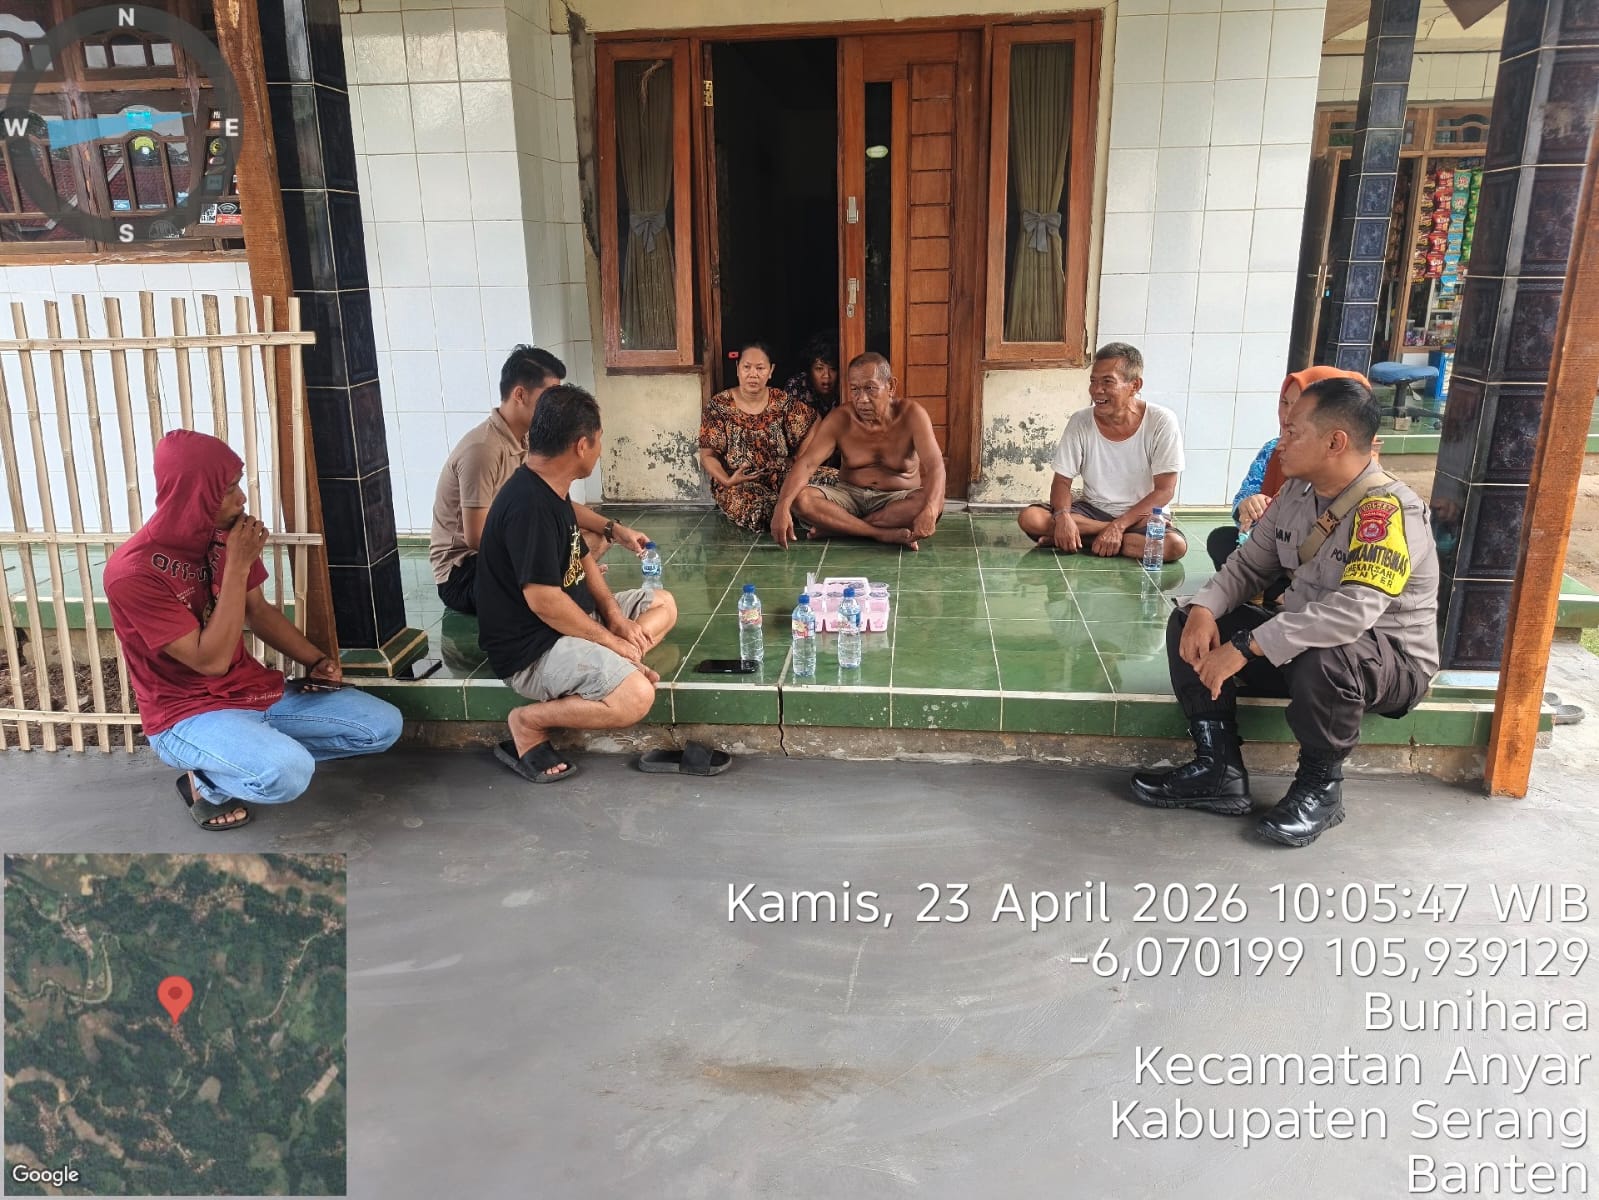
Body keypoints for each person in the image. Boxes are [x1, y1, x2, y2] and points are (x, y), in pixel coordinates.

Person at [1128, 377, 1439, 848]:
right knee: (1190, 620)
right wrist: (1205, 609)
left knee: (1328, 653)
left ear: (1335, 442)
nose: (1281, 444)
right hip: (1303, 648)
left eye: (1293, 432)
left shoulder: (1386, 511)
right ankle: (1218, 769)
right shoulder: (1296, 493)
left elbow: (1351, 614)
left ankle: (1320, 788)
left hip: (1384, 663)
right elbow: (1248, 566)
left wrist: (1247, 646)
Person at [105, 430, 403, 830]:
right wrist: (237, 565)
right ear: (195, 494)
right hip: (186, 714)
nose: (241, 499)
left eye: (238, 484)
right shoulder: (133, 573)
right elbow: (209, 662)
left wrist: (316, 661)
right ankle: (206, 783)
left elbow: (257, 611)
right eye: (228, 489)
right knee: (289, 774)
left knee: (381, 727)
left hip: (251, 692)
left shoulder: (221, 537)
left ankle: (247, 751)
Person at [476, 384, 678, 784]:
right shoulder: (529, 506)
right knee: (637, 697)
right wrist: (611, 643)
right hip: (535, 650)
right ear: (582, 446)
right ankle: (529, 723)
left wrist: (615, 619)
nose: (599, 450)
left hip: (574, 622)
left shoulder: (552, 488)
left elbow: (581, 558)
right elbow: (544, 601)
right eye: (598, 441)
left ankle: (620, 662)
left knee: (664, 603)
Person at [430, 345, 648, 615]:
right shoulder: (483, 450)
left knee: (595, 538)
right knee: (567, 548)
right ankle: (559, 590)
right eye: (549, 396)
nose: (555, 406)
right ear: (520, 395)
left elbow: (558, 503)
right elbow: (477, 538)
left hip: (504, 554)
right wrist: (549, 553)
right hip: (465, 573)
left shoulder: (529, 439)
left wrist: (613, 529)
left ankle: (562, 584)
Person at [1018, 342, 1188, 561]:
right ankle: (1102, 537)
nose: (1096, 390)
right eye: (1093, 381)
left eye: (1107, 382)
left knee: (1174, 547)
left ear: (1134, 385)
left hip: (1141, 516)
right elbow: (1062, 482)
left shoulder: (1161, 421)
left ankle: (1083, 539)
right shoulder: (1080, 421)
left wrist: (1120, 525)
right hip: (1092, 511)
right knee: (1031, 518)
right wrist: (1063, 517)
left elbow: (1165, 490)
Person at [769, 352, 946, 550]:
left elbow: (935, 466)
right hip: (849, 496)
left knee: (932, 503)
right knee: (800, 500)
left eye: (870, 388)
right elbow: (807, 464)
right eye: (855, 389)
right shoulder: (841, 418)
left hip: (896, 498)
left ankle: (840, 528)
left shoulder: (912, 415)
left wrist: (931, 509)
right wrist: (782, 506)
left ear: (891, 386)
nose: (862, 399)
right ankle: (880, 533)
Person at [1207, 365, 1372, 571]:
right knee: (1224, 542)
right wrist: (1248, 505)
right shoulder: (1274, 450)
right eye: (1284, 403)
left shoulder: (1361, 479)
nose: (1287, 414)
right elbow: (1247, 497)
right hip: (1274, 545)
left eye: (1298, 404)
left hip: (1319, 562)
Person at [698, 341, 821, 532]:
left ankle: (805, 510)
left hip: (782, 474)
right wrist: (727, 480)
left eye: (760, 368)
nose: (753, 374)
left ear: (771, 371)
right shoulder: (719, 405)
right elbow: (707, 455)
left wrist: (799, 459)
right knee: (762, 511)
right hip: (739, 483)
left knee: (835, 482)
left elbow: (814, 420)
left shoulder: (781, 400)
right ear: (737, 368)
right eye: (746, 367)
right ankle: (807, 513)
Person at [783, 332, 840, 419]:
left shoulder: (844, 385)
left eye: (833, 369)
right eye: (819, 368)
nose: (826, 375)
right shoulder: (797, 385)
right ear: (809, 369)